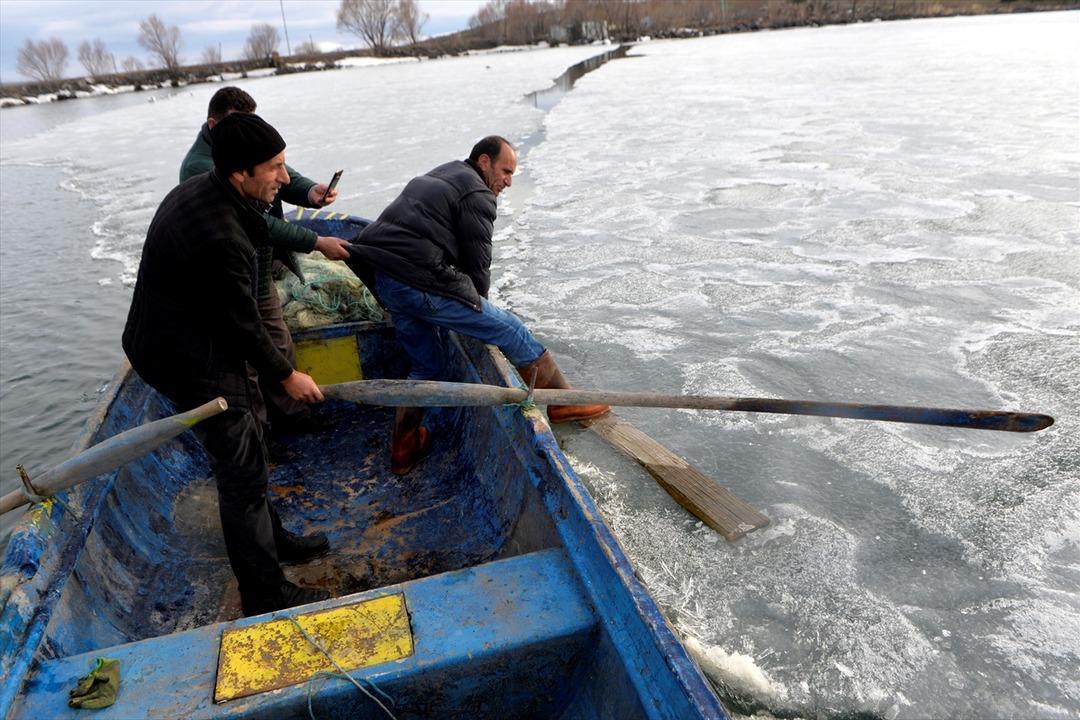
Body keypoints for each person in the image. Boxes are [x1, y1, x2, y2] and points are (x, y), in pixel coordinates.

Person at [124, 112, 331, 616]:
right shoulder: (219, 234)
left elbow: (246, 283)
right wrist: (287, 374)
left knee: (255, 432)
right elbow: (242, 324)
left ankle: (273, 538)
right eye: (275, 168)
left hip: (192, 332)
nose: (285, 179)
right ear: (240, 172)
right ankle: (265, 593)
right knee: (240, 469)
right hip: (184, 355)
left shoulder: (221, 193)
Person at [346, 135, 609, 475]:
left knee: (426, 368)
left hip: (388, 279)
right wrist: (479, 310)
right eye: (505, 171)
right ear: (484, 161)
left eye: (513, 175)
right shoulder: (478, 193)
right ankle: (562, 402)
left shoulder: (448, 172)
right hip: (418, 279)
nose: (508, 182)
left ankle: (403, 446)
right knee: (511, 329)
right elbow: (477, 265)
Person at [180, 86, 349, 443]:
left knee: (278, 340)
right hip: (230, 278)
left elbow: (281, 172)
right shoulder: (200, 169)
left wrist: (310, 191)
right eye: (237, 123)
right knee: (247, 365)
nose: (281, 174)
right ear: (214, 125)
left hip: (260, 266)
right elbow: (258, 224)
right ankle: (261, 435)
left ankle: (292, 414)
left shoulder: (248, 152)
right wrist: (316, 242)